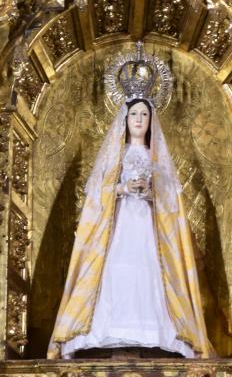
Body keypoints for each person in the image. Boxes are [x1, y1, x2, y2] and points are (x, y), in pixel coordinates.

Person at [47, 48, 213, 359]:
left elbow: (171, 200)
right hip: (119, 224)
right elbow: (97, 193)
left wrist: (151, 194)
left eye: (144, 115)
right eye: (134, 114)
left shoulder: (157, 157)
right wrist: (123, 187)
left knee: (148, 272)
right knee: (118, 271)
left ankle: (157, 333)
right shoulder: (116, 154)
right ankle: (104, 331)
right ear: (125, 119)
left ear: (151, 120)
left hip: (148, 226)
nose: (139, 120)